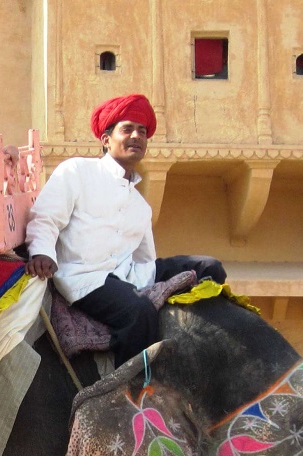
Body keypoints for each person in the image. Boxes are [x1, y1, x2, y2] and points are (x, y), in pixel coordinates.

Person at [23, 93, 225, 364]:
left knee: (210, 268)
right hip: (86, 278)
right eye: (127, 129)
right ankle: (131, 393)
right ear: (106, 140)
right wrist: (42, 252)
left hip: (129, 274)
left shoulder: (140, 205)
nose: (136, 136)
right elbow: (46, 216)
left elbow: (146, 259)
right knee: (138, 312)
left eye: (142, 131)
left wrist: (157, 280)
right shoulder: (77, 171)